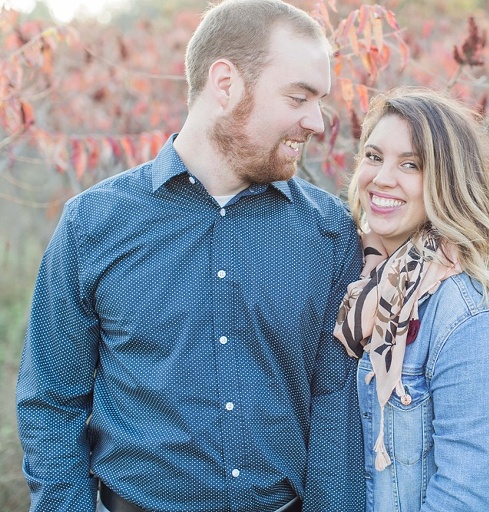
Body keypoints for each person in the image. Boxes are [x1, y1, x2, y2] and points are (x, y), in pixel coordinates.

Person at [16, 1, 365, 511]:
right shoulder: (92, 224)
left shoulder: (330, 233)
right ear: (225, 84)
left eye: (320, 100)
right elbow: (51, 401)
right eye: (299, 97)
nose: (316, 120)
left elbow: (337, 410)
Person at [334, 87, 489, 511]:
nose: (382, 177)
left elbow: (464, 500)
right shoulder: (360, 279)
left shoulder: (477, 313)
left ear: (449, 181)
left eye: (410, 164)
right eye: (373, 157)